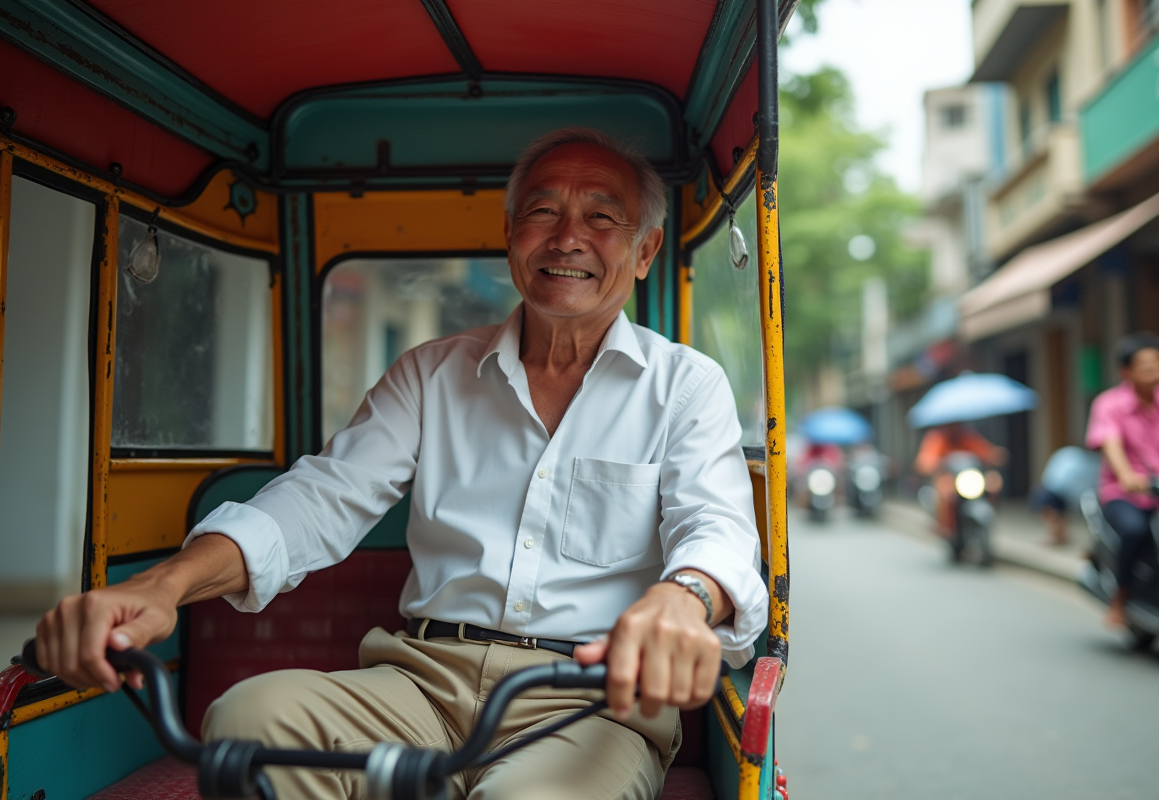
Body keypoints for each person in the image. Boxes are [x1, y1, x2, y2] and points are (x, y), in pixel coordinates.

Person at [33, 128, 768, 800]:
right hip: (420, 682)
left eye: (602, 217)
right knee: (248, 718)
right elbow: (319, 500)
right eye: (543, 212)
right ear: (510, 234)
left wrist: (682, 600)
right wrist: (163, 586)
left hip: (588, 701)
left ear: (645, 251)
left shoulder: (686, 386)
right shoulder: (431, 372)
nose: (568, 237)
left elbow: (717, 529)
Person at [1085, 332, 1159, 628]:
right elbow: (1110, 443)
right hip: (1125, 494)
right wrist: (1126, 475)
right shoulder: (1109, 404)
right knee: (1135, 532)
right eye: (1146, 367)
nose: (1155, 372)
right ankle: (1120, 598)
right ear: (1126, 371)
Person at [914, 422, 1005, 534]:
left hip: (969, 477)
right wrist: (931, 463)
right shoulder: (937, 437)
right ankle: (944, 525)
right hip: (950, 477)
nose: (954, 426)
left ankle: (991, 509)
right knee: (946, 491)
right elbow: (925, 459)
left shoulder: (966, 435)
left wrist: (995, 454)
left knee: (994, 481)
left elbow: (983, 449)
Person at [1030, 446, 1101, 546]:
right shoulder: (1076, 457)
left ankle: (1058, 535)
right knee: (1051, 508)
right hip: (1058, 491)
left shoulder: (1089, 462)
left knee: (1051, 509)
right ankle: (1059, 534)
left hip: (1064, 493)